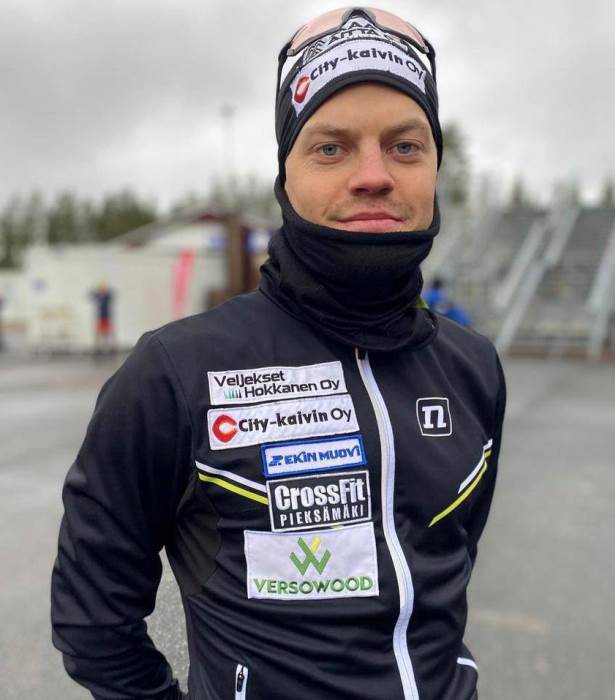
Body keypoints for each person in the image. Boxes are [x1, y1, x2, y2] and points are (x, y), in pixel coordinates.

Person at [51, 8, 505, 700]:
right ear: (285, 174)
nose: (375, 175)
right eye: (332, 148)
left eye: (406, 146)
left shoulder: (473, 368)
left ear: (434, 168)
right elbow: (94, 622)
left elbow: (448, 576)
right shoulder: (175, 374)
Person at [90, 282, 115, 354]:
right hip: (100, 317)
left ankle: (107, 348)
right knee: (98, 333)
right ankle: (98, 348)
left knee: (107, 333)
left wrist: (104, 292)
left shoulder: (107, 296)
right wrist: (98, 292)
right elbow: (92, 295)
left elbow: (110, 295)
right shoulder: (99, 297)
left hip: (107, 317)